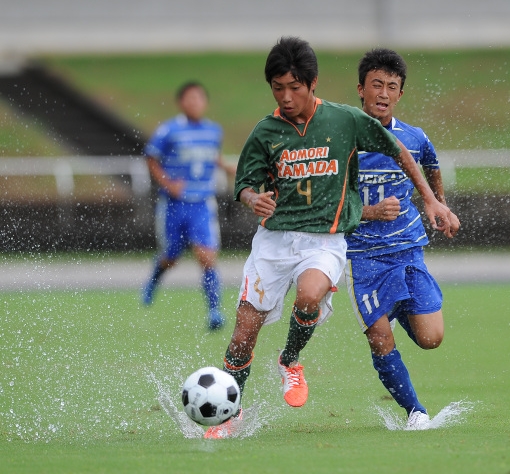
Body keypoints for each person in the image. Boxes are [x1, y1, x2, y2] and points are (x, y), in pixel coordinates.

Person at [204, 37, 457, 439]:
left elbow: (408, 154)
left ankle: (290, 360)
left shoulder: (344, 122)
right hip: (280, 243)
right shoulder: (265, 132)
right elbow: (243, 184)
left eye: (294, 87)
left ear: (313, 83)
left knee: (313, 298)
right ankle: (227, 415)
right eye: (278, 88)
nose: (286, 97)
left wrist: (434, 202)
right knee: (242, 337)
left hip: (328, 240)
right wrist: (254, 199)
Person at [343, 48, 459, 431]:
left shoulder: (414, 137)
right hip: (362, 256)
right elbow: (328, 203)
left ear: (400, 94)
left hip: (407, 249)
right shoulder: (341, 140)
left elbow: (431, 164)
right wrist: (369, 212)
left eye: (392, 87)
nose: (384, 93)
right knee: (380, 337)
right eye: (377, 84)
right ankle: (416, 412)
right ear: (361, 89)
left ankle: (392, 313)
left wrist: (438, 206)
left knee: (431, 338)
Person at [141, 81, 236, 330]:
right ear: (181, 102)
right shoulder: (169, 130)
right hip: (174, 205)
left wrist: (226, 167)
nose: (195, 103)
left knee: (207, 256)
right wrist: (168, 183)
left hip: (202, 204)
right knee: (171, 257)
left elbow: (212, 156)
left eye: (199, 98)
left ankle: (214, 311)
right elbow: (151, 157)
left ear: (205, 102)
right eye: (190, 98)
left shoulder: (213, 131)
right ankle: (154, 277)